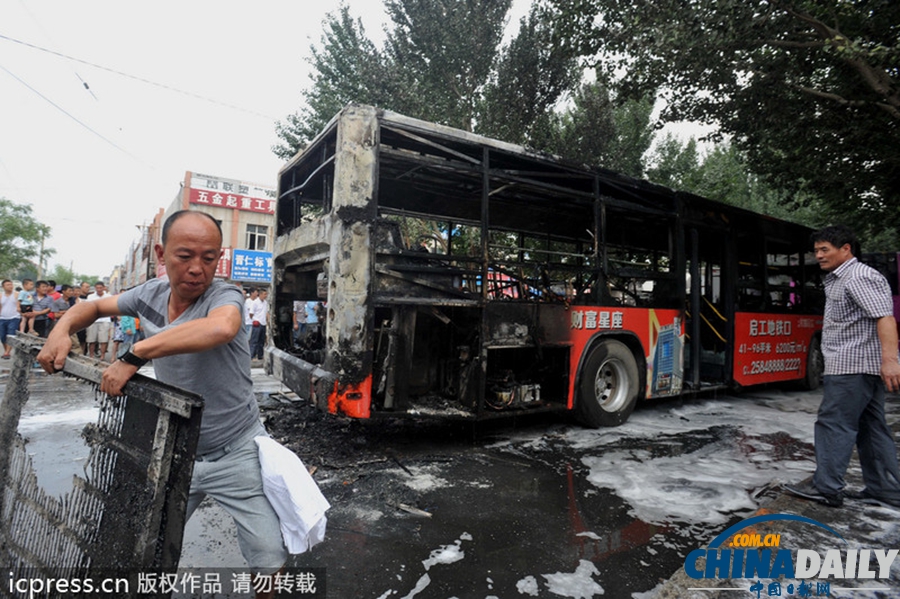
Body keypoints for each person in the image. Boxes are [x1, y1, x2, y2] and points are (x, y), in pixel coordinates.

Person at [37, 210, 286, 596]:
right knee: (142, 545)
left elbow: (221, 327)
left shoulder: (225, 294)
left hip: (236, 450)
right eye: (184, 256)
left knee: (269, 556)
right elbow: (95, 307)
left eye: (208, 258)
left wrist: (133, 355)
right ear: (161, 252)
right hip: (175, 449)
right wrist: (61, 329)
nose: (196, 269)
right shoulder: (149, 293)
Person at [785, 225, 900, 508]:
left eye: (825, 250)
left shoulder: (858, 276)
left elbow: (885, 317)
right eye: (816, 251)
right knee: (871, 427)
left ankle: (827, 487)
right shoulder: (839, 278)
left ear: (846, 248)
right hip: (855, 365)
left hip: (853, 366)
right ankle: (885, 489)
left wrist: (890, 360)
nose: (819, 256)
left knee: (834, 424)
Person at [85, 282, 112, 360]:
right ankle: (91, 355)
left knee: (103, 340)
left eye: (100, 288)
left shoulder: (108, 296)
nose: (99, 289)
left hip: (105, 319)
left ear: (104, 288)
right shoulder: (90, 297)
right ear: (95, 288)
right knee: (91, 339)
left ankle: (102, 355)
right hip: (93, 320)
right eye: (97, 288)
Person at [0, 279, 21, 358]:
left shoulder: (17, 294)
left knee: (11, 335)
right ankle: (6, 351)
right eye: (8, 285)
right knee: (2, 336)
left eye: (11, 284)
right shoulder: (1, 295)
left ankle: (7, 352)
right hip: (2, 317)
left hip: (14, 317)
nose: (10, 286)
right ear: (3, 287)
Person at [250, 289, 269, 361]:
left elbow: (266, 312)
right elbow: (251, 313)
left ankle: (260, 356)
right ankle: (252, 356)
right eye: (264, 294)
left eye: (266, 294)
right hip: (257, 323)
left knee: (261, 341)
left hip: (263, 323)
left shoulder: (265, 303)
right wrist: (255, 319)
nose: (265, 296)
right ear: (260, 294)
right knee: (254, 340)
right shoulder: (255, 303)